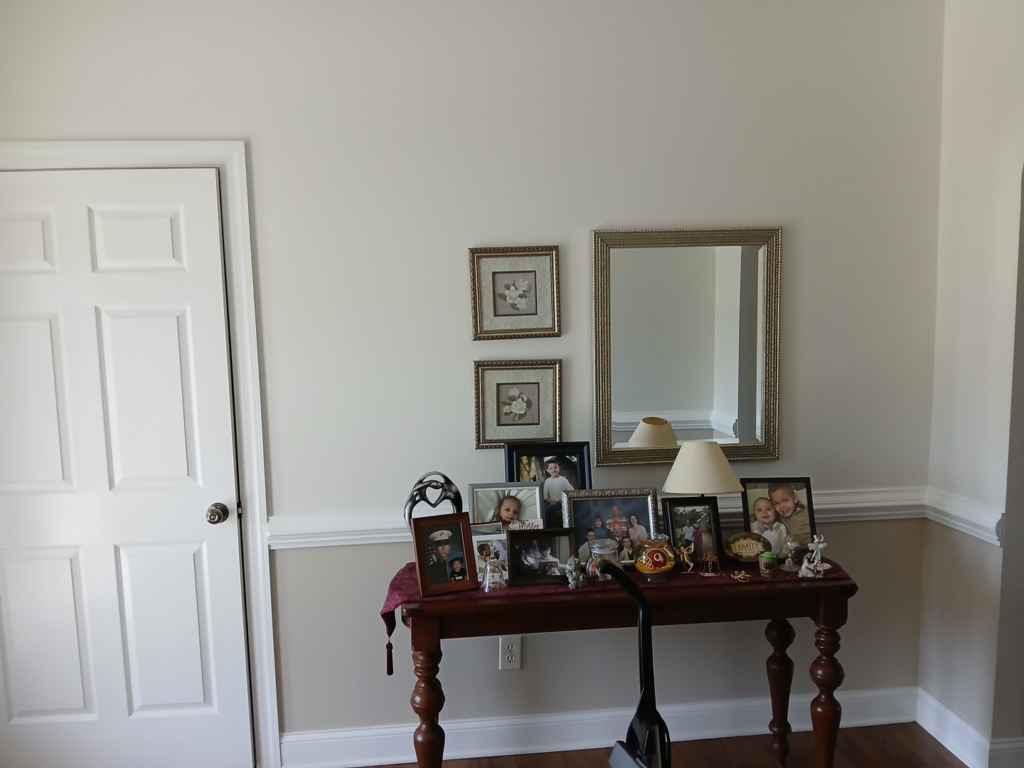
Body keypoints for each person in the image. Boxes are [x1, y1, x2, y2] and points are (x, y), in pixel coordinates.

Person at [770, 483, 812, 548]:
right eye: (777, 503)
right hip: (795, 550)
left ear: (795, 498)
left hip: (812, 547)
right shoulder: (778, 516)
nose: (782, 506)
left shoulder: (808, 511)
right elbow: (764, 515)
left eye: (785, 500)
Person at [542, 458, 574, 527]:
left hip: (560, 502)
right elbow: (545, 495)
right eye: (551, 468)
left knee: (546, 511)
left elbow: (571, 490)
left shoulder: (563, 479)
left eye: (555, 467)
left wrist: (563, 499)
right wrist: (550, 501)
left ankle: (548, 528)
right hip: (551, 501)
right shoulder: (548, 481)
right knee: (541, 509)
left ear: (559, 468)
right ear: (547, 470)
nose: (553, 470)